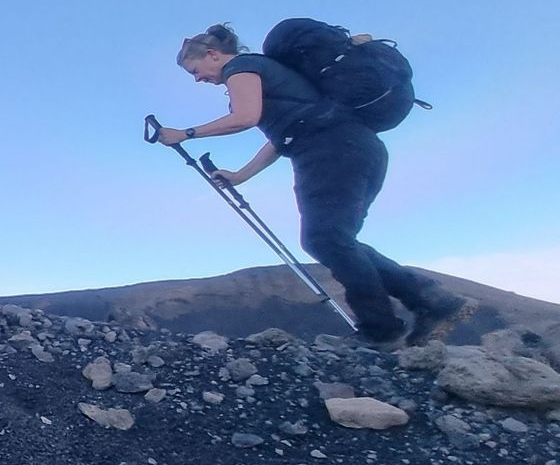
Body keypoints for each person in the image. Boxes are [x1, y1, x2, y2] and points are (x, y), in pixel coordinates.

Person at [160, 24, 466, 349]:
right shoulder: (270, 72)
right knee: (334, 239)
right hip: (355, 147)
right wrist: (241, 175)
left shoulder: (241, 67)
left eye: (195, 70)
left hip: (330, 151)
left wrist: (185, 133)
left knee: (325, 238)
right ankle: (430, 300)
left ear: (212, 54)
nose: (198, 79)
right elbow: (284, 135)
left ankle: (382, 329)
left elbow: (246, 117)